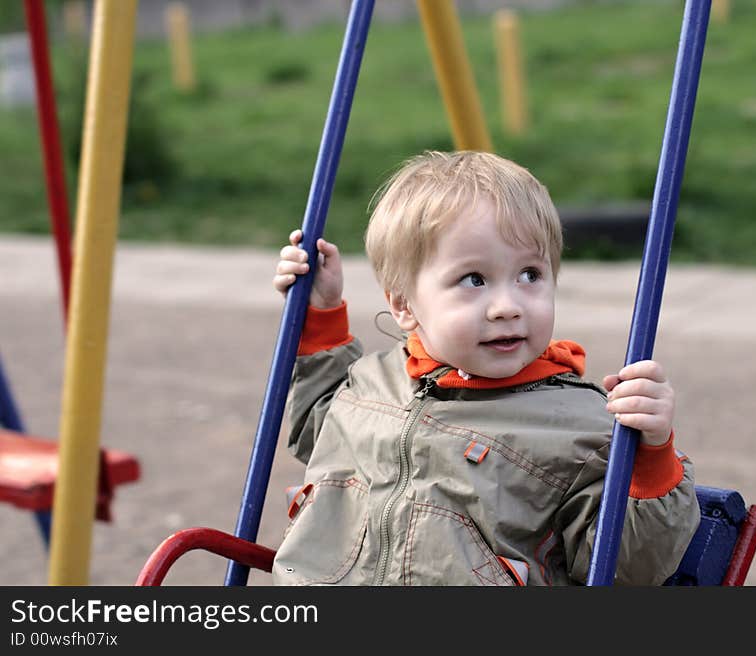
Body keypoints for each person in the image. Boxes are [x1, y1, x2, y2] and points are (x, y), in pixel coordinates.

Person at [271, 150, 699, 586]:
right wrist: (320, 315)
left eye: (530, 275)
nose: (507, 307)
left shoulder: (583, 428)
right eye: (474, 280)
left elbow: (625, 569)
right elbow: (319, 437)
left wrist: (651, 456)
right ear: (402, 304)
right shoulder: (373, 382)